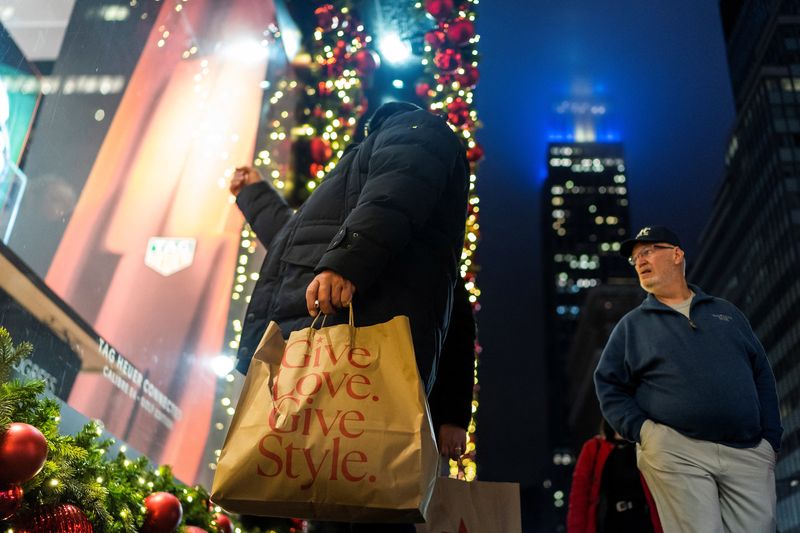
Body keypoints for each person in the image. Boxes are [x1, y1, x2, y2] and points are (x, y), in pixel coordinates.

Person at [230, 101, 470, 532]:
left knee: (362, 497)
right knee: (336, 493)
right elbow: (298, 243)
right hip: (327, 353)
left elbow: (396, 189)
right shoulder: (357, 186)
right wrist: (255, 195)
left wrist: (347, 262)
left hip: (358, 346)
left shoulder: (414, 131)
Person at [594, 225, 783, 533]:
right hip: (678, 449)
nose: (640, 261)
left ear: (677, 255)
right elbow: (608, 383)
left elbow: (761, 372)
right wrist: (644, 432)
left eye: (648, 251)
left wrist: (770, 439)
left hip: (747, 449)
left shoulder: (726, 313)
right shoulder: (632, 326)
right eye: (635, 258)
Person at [567, 419, 662, 533]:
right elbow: (578, 500)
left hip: (644, 522)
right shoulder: (593, 448)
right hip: (611, 523)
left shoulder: (645, 446)